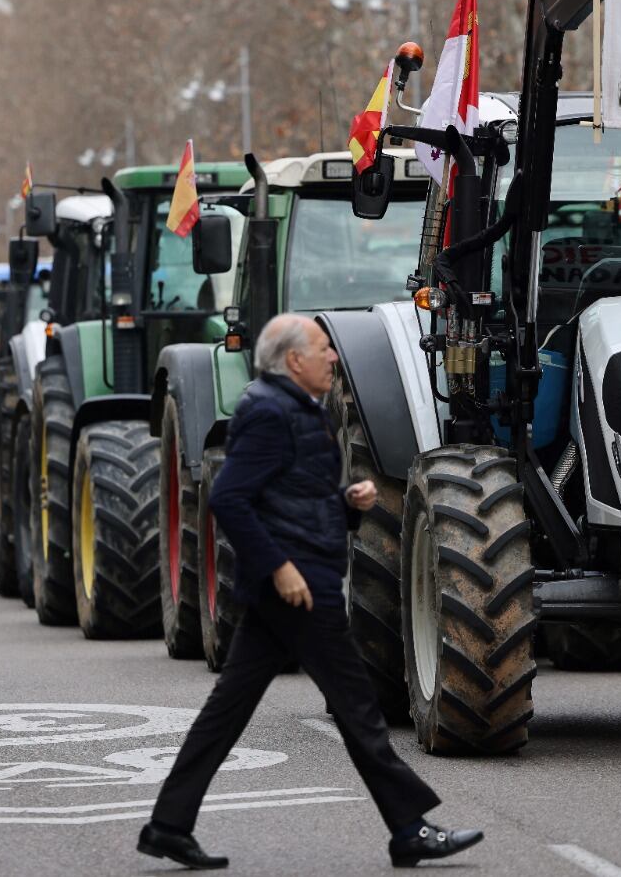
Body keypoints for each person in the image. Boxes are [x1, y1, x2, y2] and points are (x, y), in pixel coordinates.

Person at [138, 314, 482, 870]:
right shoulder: (271, 413)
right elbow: (229, 498)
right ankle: (409, 829)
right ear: (294, 360)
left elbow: (290, 495)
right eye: (323, 349)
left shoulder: (295, 410)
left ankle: (168, 824)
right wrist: (280, 568)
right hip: (298, 590)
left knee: (228, 712)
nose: (333, 358)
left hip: (295, 585)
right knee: (359, 713)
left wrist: (348, 501)